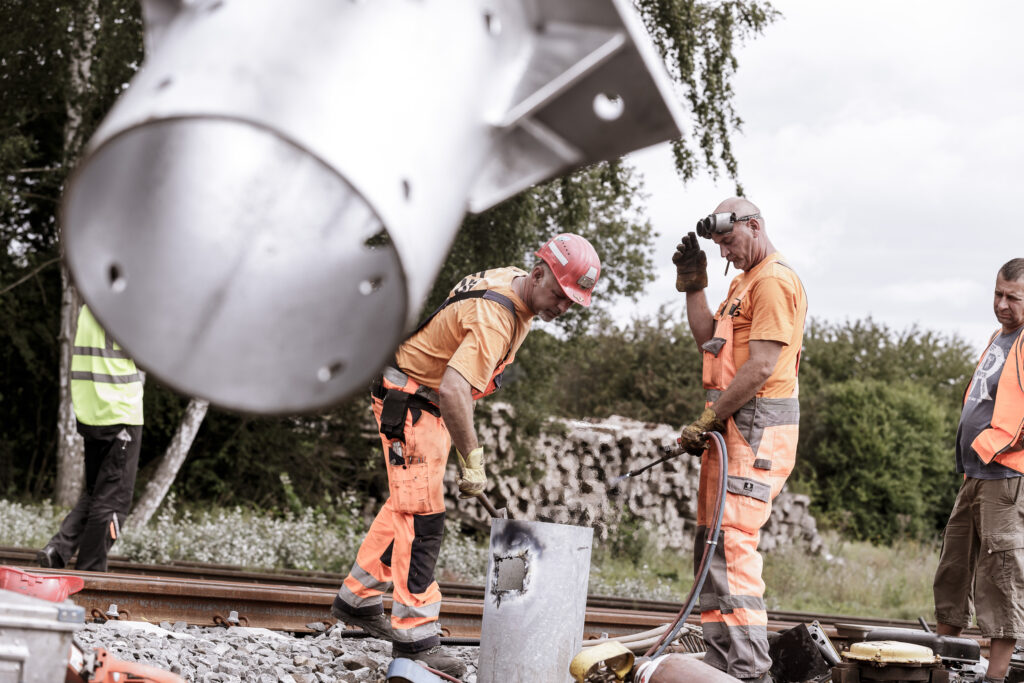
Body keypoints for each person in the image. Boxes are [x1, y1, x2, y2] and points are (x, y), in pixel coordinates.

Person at [331, 233, 601, 677]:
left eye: (572, 302)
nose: (562, 307)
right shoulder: (497, 317)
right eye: (559, 294)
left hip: (422, 398)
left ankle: (357, 598)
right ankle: (415, 637)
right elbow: (455, 389)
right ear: (538, 275)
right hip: (412, 400)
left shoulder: (514, 283)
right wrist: (472, 458)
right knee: (423, 520)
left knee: (407, 505)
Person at [672, 198, 807, 683]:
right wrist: (695, 286)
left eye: (729, 242)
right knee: (712, 544)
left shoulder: (773, 281)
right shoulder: (742, 282)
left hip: (755, 426)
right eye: (718, 246)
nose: (725, 253)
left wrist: (710, 418)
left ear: (754, 226)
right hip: (730, 425)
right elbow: (708, 340)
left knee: (732, 543)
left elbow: (762, 365)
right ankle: (721, 662)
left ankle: (749, 670)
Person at [933, 258, 1024, 683]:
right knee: (952, 568)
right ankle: (941, 666)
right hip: (974, 474)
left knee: (1000, 576)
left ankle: (996, 678)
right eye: (998, 294)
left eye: (1013, 298)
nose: (1002, 304)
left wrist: (1001, 445)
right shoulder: (999, 337)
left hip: (1005, 477)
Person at [37, 304, 144, 572]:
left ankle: (58, 550)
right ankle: (91, 574)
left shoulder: (89, 306)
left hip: (92, 412)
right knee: (113, 502)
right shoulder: (130, 306)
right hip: (120, 411)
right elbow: (149, 356)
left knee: (97, 492)